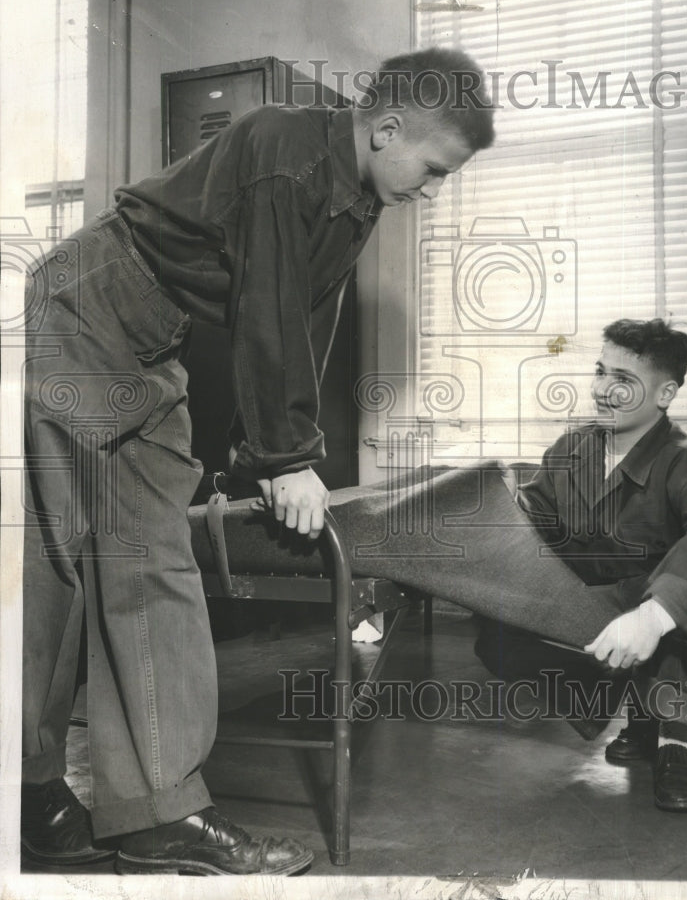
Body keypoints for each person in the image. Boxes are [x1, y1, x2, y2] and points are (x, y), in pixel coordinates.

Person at [21, 47, 494, 874]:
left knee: (152, 558)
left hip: (154, 338)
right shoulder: (282, 147)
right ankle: (29, 785)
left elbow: (298, 327)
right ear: (386, 130)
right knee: (59, 558)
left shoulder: (356, 199)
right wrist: (283, 459)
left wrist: (265, 451)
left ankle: (156, 811)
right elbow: (267, 304)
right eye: (433, 169)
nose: (431, 189)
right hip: (86, 302)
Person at [474, 318, 687, 812]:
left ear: (665, 393)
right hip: (599, 610)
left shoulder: (686, 462)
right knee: (501, 631)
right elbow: (534, 521)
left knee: (680, 609)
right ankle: (639, 712)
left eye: (624, 381)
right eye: (600, 372)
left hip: (662, 622)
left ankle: (676, 739)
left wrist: (655, 616)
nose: (602, 391)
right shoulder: (571, 448)